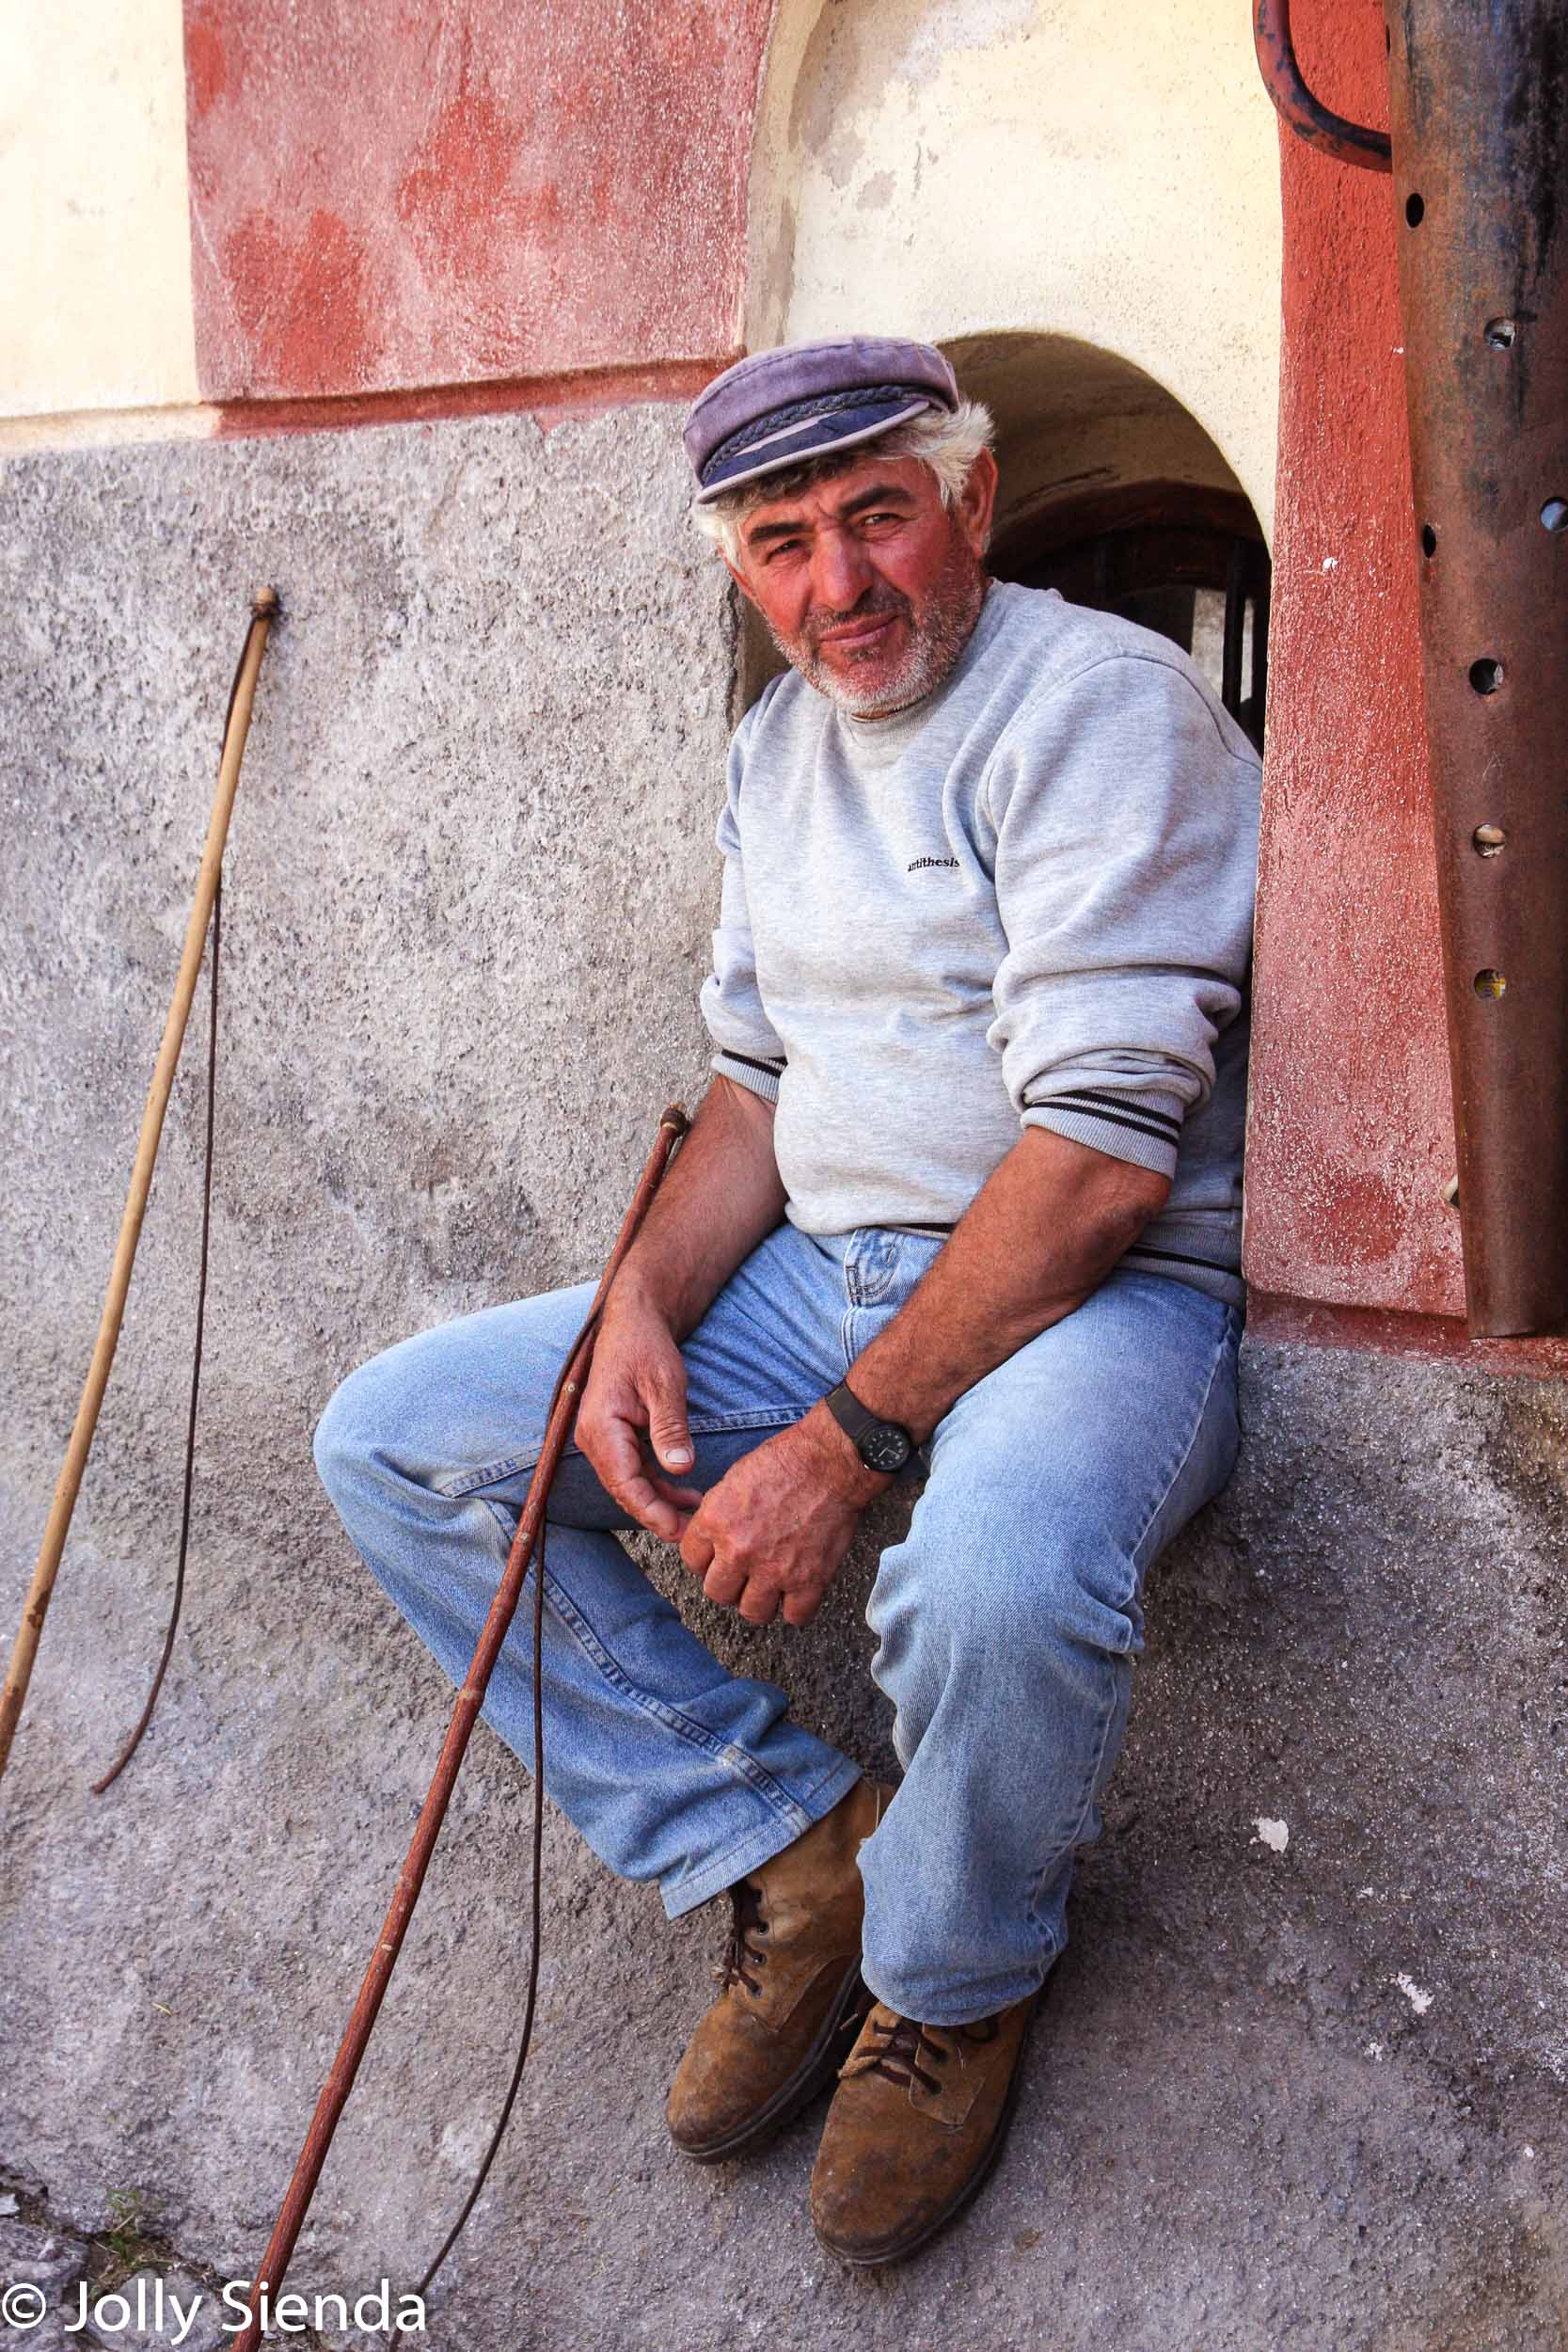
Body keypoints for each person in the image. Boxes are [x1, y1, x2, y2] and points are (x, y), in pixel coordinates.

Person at [313, 334, 1260, 2265]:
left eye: (877, 516)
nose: (840, 586)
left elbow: (1093, 1164)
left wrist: (845, 1446)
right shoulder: (776, 749)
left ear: (973, 503)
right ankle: (779, 1848)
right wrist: (646, 1297)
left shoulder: (1099, 706)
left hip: (1098, 1298)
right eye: (782, 542)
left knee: (994, 1572)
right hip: (817, 1269)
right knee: (405, 1442)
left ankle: (951, 1972)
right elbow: (756, 1086)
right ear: (738, 565)